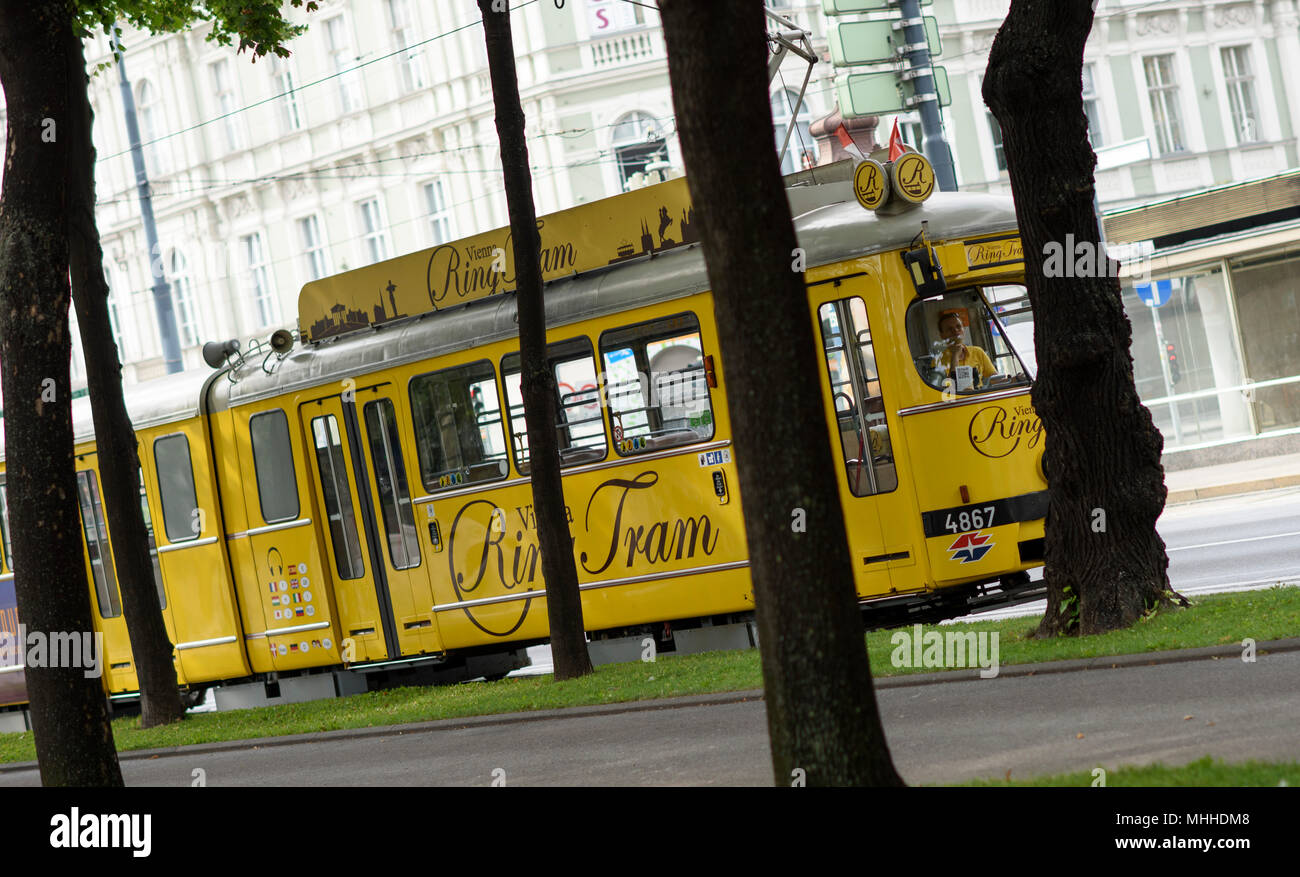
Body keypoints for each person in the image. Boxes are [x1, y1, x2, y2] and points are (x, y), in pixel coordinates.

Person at [937, 311, 996, 386]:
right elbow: (947, 389)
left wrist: (1010, 381)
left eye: (958, 326)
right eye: (949, 329)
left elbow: (993, 379)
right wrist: (955, 356)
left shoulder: (977, 351)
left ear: (963, 329)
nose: (955, 330)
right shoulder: (938, 361)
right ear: (942, 335)